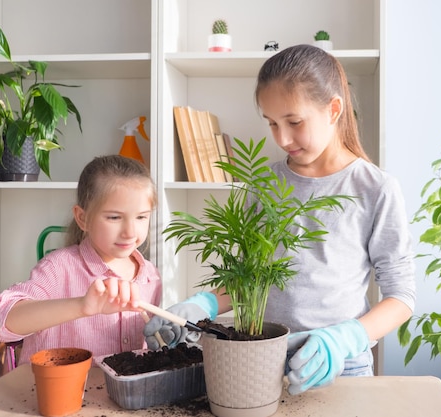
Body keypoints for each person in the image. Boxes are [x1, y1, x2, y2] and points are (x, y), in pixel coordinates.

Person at [144, 44, 416, 395]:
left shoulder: (375, 188)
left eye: (294, 122)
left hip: (342, 366)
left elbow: (402, 297)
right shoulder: (263, 184)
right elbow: (249, 280)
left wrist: (345, 338)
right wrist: (202, 306)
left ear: (334, 109)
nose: (282, 138)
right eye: (272, 123)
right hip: (260, 359)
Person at [0, 155, 162, 365]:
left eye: (141, 217)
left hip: (118, 397)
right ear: (82, 218)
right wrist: (81, 306)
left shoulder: (151, 277)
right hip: (53, 396)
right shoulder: (57, 268)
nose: (130, 232)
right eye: (114, 217)